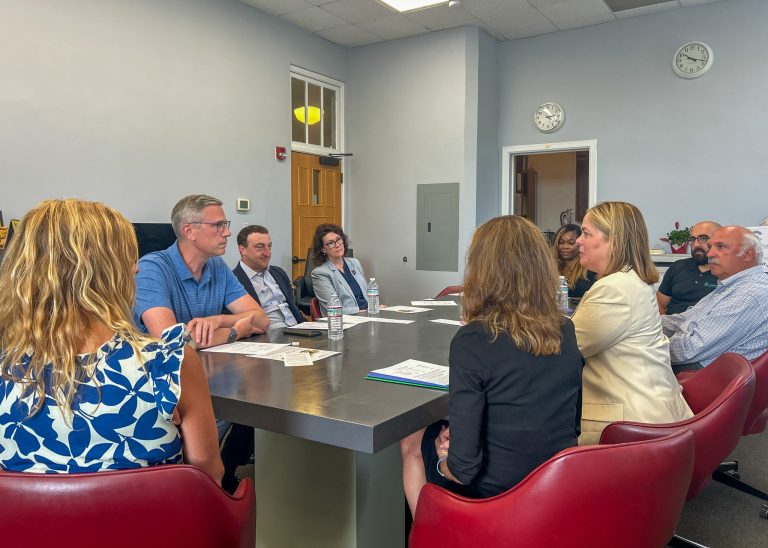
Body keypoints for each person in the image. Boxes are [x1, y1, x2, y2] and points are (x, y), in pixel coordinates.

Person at [0, 199, 222, 481]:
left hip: (24, 525)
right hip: (155, 524)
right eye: (129, 258)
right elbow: (208, 474)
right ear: (101, 268)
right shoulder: (169, 362)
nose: (136, 269)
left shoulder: (5, 368)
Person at [400, 215, 583, 517]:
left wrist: (445, 456)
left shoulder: (474, 338)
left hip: (494, 495)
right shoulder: (565, 328)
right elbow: (571, 421)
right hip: (553, 483)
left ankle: (432, 534)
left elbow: (463, 470)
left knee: (411, 442)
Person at [571, 201, 692, 445]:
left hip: (629, 421)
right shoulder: (631, 279)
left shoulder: (614, 289)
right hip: (653, 407)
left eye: (586, 233)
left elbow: (567, 349)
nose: (577, 241)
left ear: (614, 240)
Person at [133, 194, 269, 348]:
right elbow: (171, 341)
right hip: (161, 369)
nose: (227, 233)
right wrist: (234, 332)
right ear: (189, 231)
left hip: (207, 364)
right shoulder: (150, 269)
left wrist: (218, 321)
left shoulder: (216, 265)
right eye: (218, 225)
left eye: (225, 225)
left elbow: (261, 320)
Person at [661, 226, 768, 372]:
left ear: (748, 254)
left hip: (700, 374)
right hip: (695, 362)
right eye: (710, 247)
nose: (710, 254)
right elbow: (684, 319)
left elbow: (689, 349)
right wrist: (645, 325)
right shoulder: (731, 285)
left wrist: (645, 345)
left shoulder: (749, 293)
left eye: (720, 247)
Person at [234, 225, 304, 329]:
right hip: (269, 336)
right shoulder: (234, 280)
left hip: (299, 329)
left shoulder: (278, 273)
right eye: (260, 247)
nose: (267, 253)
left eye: (269, 246)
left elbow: (294, 308)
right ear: (242, 249)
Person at [656, 221, 721, 314]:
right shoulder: (677, 267)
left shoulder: (726, 274)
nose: (696, 244)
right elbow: (659, 304)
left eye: (703, 238)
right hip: (669, 325)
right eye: (692, 239)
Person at [310, 223, 369, 315]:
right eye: (331, 243)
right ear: (323, 249)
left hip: (368, 315)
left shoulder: (355, 263)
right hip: (345, 322)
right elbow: (333, 309)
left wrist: (375, 308)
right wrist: (361, 311)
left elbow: (367, 294)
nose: (337, 245)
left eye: (338, 239)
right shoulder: (320, 273)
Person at [552, 223, 596, 299]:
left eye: (571, 243)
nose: (565, 247)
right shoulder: (550, 267)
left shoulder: (589, 269)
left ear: (580, 243)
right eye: (561, 242)